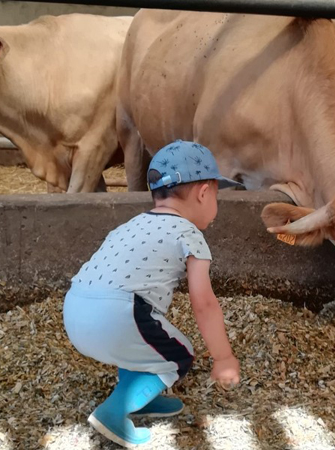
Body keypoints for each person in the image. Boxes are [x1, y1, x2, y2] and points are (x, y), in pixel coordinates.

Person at [63, 140, 242, 448]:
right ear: (203, 193)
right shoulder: (190, 234)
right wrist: (223, 357)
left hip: (74, 309)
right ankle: (115, 412)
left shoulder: (130, 225)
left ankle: (140, 400)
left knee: (143, 339)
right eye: (216, 196)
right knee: (178, 353)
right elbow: (204, 303)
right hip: (117, 315)